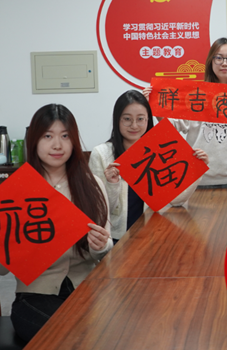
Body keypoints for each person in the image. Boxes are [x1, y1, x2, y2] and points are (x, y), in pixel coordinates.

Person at [0, 104, 113, 342]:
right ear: (34, 140)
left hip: (88, 289)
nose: (57, 145)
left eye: (65, 136)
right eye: (48, 136)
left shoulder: (92, 184)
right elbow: (2, 266)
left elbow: (106, 252)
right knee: (72, 338)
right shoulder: (17, 190)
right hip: (35, 296)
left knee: (116, 330)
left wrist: (101, 246)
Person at [143, 38, 227, 189]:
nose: (224, 63)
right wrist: (155, 106)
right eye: (219, 58)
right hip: (199, 176)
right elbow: (172, 126)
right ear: (211, 61)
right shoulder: (196, 95)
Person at [89, 91, 209, 241]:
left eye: (140, 119)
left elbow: (176, 201)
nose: (134, 125)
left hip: (152, 235)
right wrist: (112, 184)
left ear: (148, 120)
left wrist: (197, 170)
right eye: (127, 119)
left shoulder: (158, 149)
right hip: (116, 238)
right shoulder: (101, 154)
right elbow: (100, 212)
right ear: (117, 119)